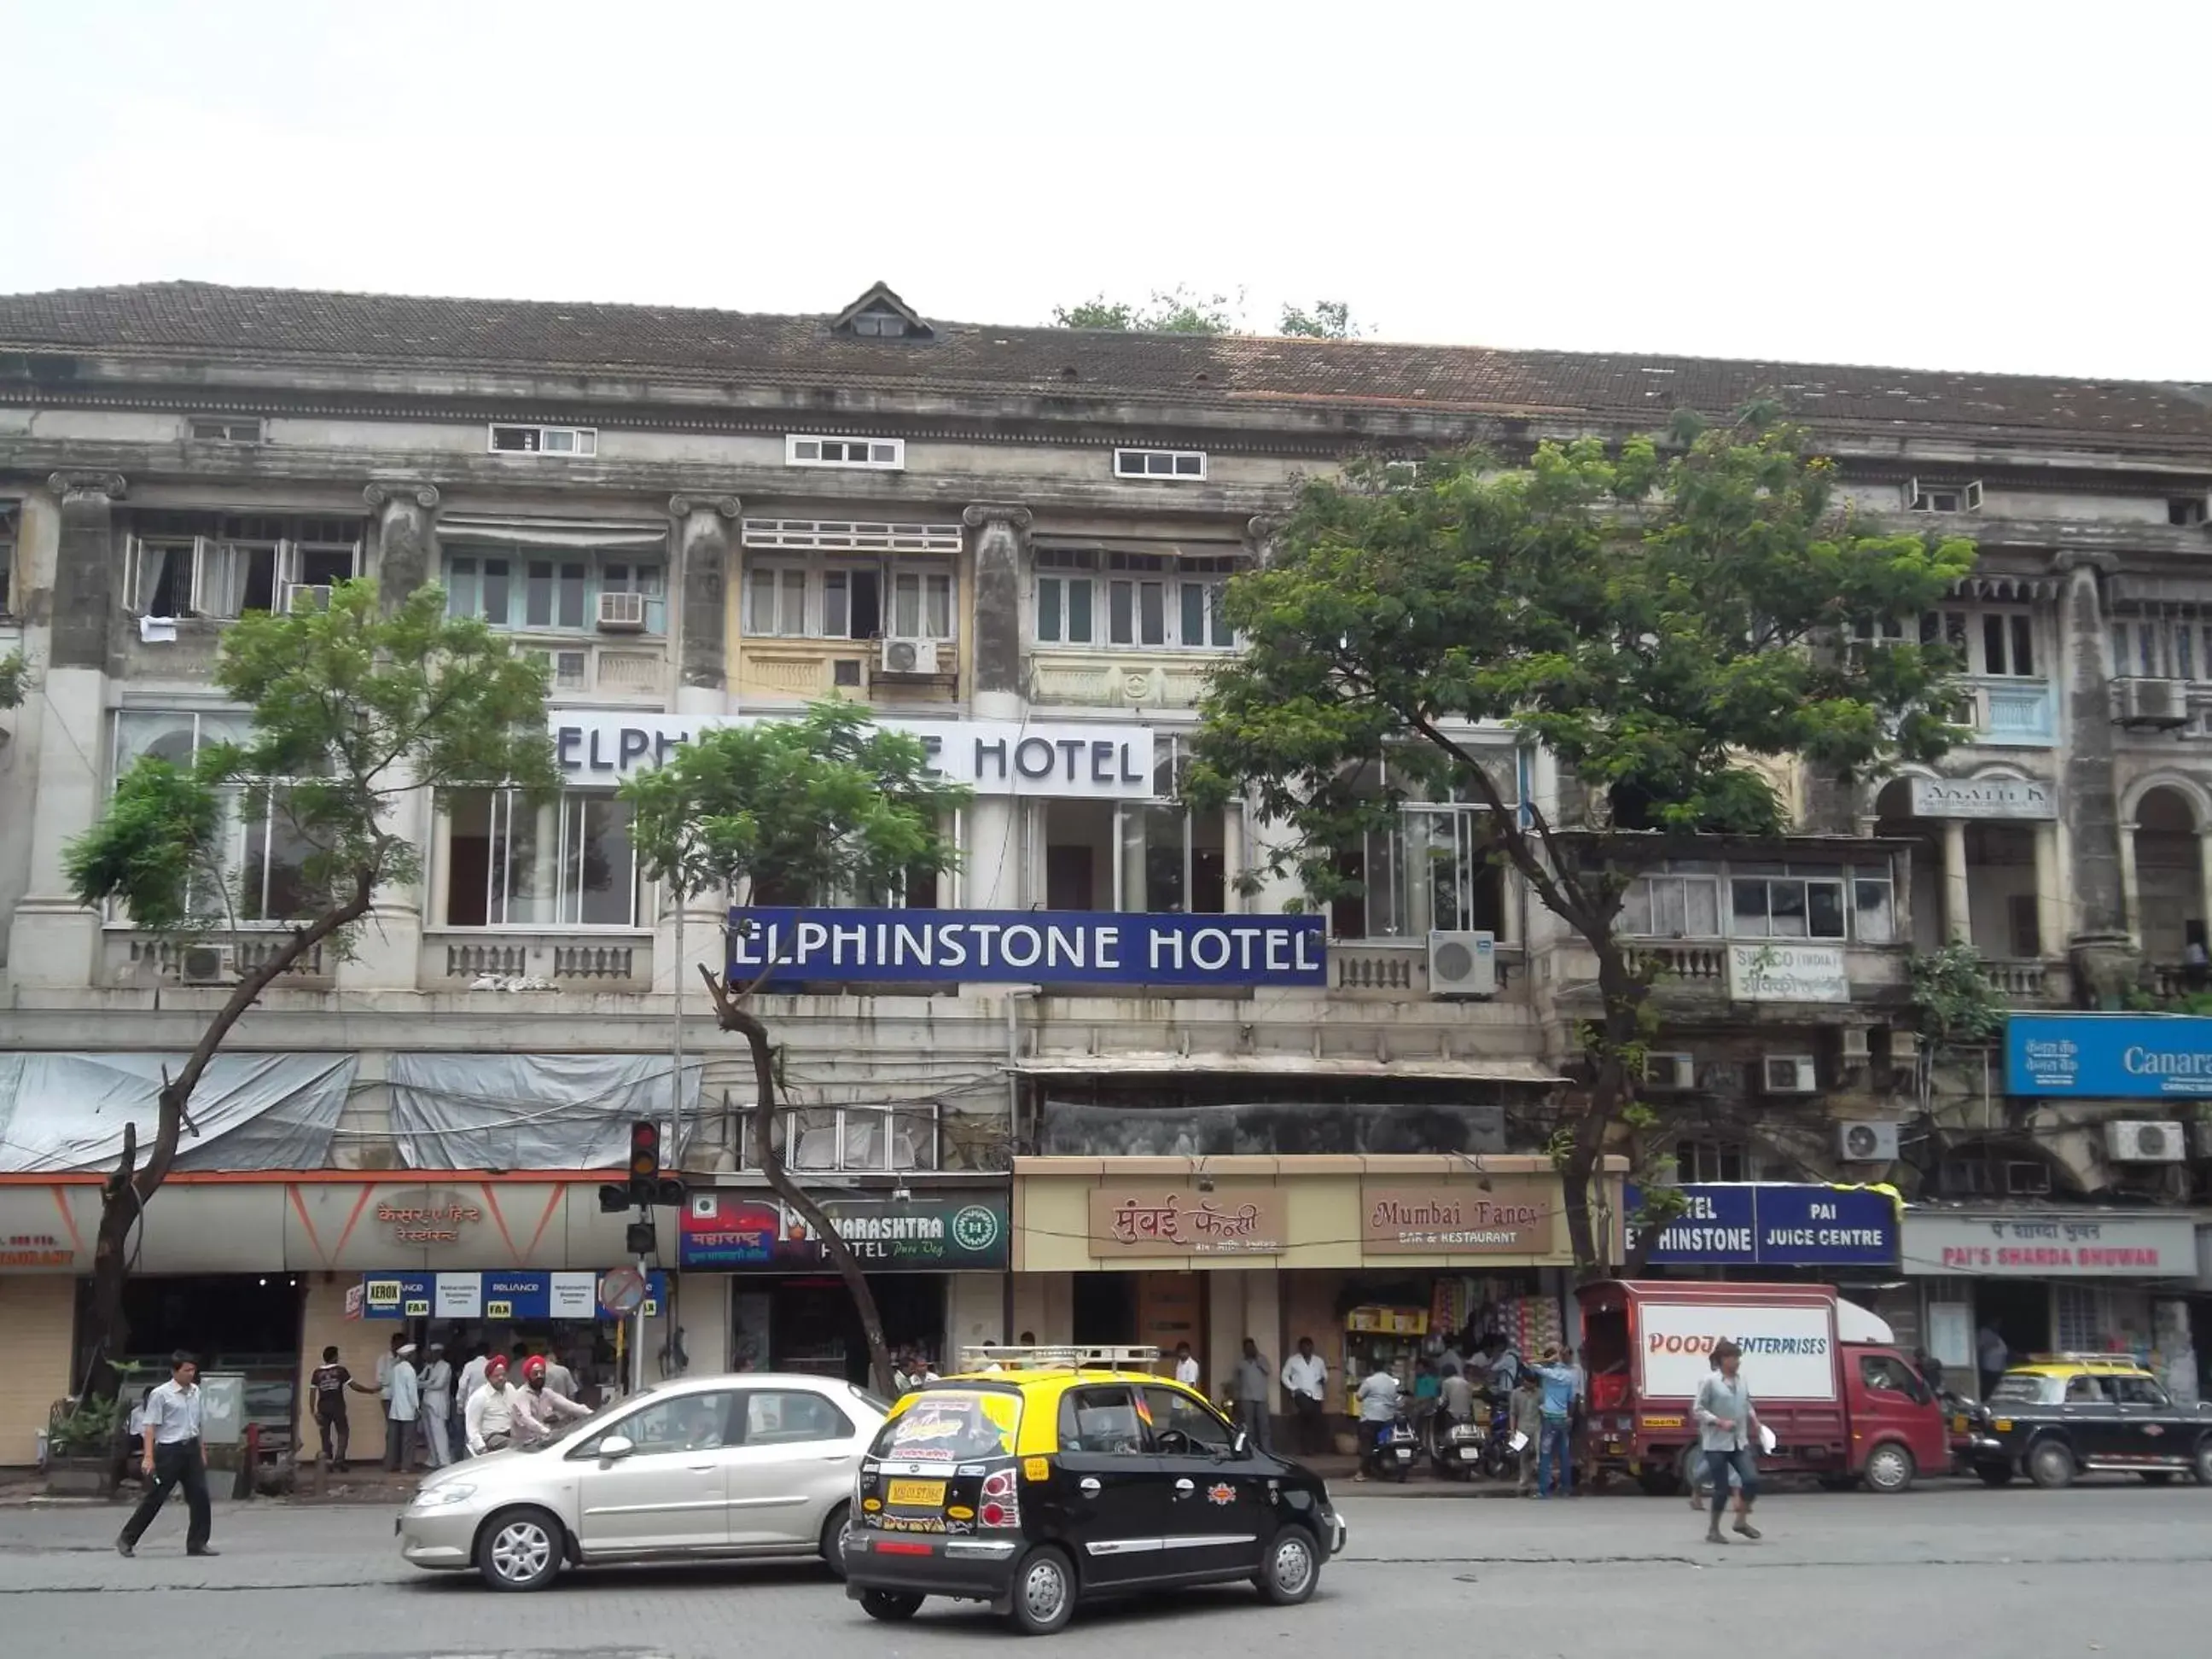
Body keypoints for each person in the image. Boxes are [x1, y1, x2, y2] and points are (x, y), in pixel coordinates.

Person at [116, 1351, 216, 1558]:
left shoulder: (196, 1391)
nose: (191, 1374)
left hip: (191, 1450)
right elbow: (150, 1427)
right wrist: (149, 1457)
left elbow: (198, 1424)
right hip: (169, 1451)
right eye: (186, 1370)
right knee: (156, 1497)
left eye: (193, 1370)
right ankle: (127, 1538)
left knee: (200, 1496)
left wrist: (202, 1451)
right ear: (174, 1371)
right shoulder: (161, 1394)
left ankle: (198, 1542)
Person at [1693, 1339, 1762, 1545]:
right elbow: (1698, 1409)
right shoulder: (1710, 1381)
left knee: (1751, 1480)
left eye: (1738, 1358)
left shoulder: (1742, 1380)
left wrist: (1756, 1422)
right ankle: (1713, 1529)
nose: (1737, 1362)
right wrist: (1718, 1422)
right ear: (1723, 1360)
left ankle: (1740, 1521)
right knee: (1721, 1488)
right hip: (1716, 1443)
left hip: (1738, 1441)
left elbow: (1746, 1402)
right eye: (1733, 1358)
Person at [308, 1344, 376, 1472]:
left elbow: (312, 1393)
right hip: (337, 1407)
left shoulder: (317, 1373)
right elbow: (354, 1386)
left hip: (322, 1407)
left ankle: (327, 1462)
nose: (339, 1357)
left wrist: (313, 1411)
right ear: (334, 1357)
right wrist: (370, 1391)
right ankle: (339, 1461)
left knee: (325, 1436)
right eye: (337, 1355)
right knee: (343, 1433)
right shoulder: (341, 1371)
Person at [1530, 1345, 1578, 1498]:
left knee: (1546, 1454)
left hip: (1550, 1419)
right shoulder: (1570, 1376)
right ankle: (1566, 1489)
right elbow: (1572, 1399)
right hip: (1563, 1419)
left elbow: (1531, 1363)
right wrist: (1570, 1416)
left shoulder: (1549, 1374)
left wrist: (1548, 1359)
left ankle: (1544, 1491)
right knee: (1564, 1455)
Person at [515, 1353, 592, 1444]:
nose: (539, 1376)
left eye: (542, 1373)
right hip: (523, 1445)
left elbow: (570, 1406)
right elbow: (526, 1418)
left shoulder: (547, 1393)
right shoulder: (522, 1394)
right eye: (535, 1373)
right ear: (528, 1376)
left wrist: (591, 1414)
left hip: (543, 1441)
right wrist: (547, 1432)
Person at [1353, 1356, 1401, 1482]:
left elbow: (1358, 1396)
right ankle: (1381, 1469)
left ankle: (1362, 1472)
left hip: (1371, 1418)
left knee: (1367, 1445)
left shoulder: (1370, 1381)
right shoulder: (1392, 1382)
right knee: (1384, 1444)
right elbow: (1396, 1398)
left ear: (1371, 1369)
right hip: (1388, 1419)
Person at [464, 1355, 526, 1453]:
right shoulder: (480, 1396)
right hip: (492, 1437)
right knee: (516, 1446)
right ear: (488, 1378)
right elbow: (472, 1428)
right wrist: (481, 1448)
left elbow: (519, 1411)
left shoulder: (510, 1388)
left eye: (503, 1375)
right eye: (496, 1376)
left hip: (512, 1432)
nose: (501, 1378)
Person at [1281, 1336, 1328, 1456]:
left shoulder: (1319, 1361)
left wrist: (1324, 1379)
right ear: (1300, 1348)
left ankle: (1310, 1448)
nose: (1307, 1349)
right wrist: (1294, 1388)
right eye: (1304, 1347)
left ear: (1312, 1347)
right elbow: (1284, 1376)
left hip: (1316, 1394)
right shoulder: (1293, 1360)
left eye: (1309, 1346)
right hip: (1301, 1393)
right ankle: (1306, 1448)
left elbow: (1325, 1374)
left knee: (1314, 1420)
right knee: (1307, 1412)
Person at [384, 1342, 423, 1470]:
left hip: (395, 1409)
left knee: (393, 1441)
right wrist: (416, 1408)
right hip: (408, 1410)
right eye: (414, 1354)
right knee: (408, 1441)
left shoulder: (396, 1368)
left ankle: (390, 1465)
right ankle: (406, 1467)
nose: (416, 1357)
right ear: (410, 1355)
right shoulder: (410, 1370)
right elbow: (412, 1392)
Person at [1233, 1337, 1274, 1452]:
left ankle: (1266, 1450)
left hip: (1261, 1398)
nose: (1249, 1350)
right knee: (1248, 1426)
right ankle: (1251, 1449)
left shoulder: (1262, 1359)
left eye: (1251, 1347)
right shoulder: (1240, 1363)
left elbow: (1268, 1371)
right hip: (1246, 1398)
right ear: (1244, 1350)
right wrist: (1236, 1397)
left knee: (1264, 1426)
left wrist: (1257, 1360)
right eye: (1247, 1348)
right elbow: (1237, 1381)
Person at [420, 1342, 455, 1467]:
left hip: (437, 1404)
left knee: (439, 1433)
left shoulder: (445, 1366)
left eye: (431, 1353)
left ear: (438, 1353)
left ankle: (444, 1461)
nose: (427, 1355)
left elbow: (439, 1385)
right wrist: (427, 1383)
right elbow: (419, 1379)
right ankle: (434, 1460)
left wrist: (425, 1384)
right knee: (429, 1434)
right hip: (426, 1402)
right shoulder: (429, 1366)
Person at [1511, 1372, 1544, 1496]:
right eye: (1528, 1382)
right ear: (1524, 1381)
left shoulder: (1540, 1393)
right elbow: (1513, 1413)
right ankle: (1524, 1484)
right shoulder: (1516, 1393)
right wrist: (1512, 1431)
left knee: (1539, 1457)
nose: (1531, 1385)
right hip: (1522, 1429)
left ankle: (1543, 1483)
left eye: (1533, 1383)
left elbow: (1544, 1413)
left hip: (1537, 1428)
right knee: (1523, 1457)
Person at [1977, 1324, 2010, 1396]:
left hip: (1998, 1370)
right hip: (1990, 1370)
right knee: (1989, 1390)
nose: (1998, 1324)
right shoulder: (1985, 1333)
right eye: (1996, 1322)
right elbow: (1980, 1348)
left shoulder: (1996, 1336)